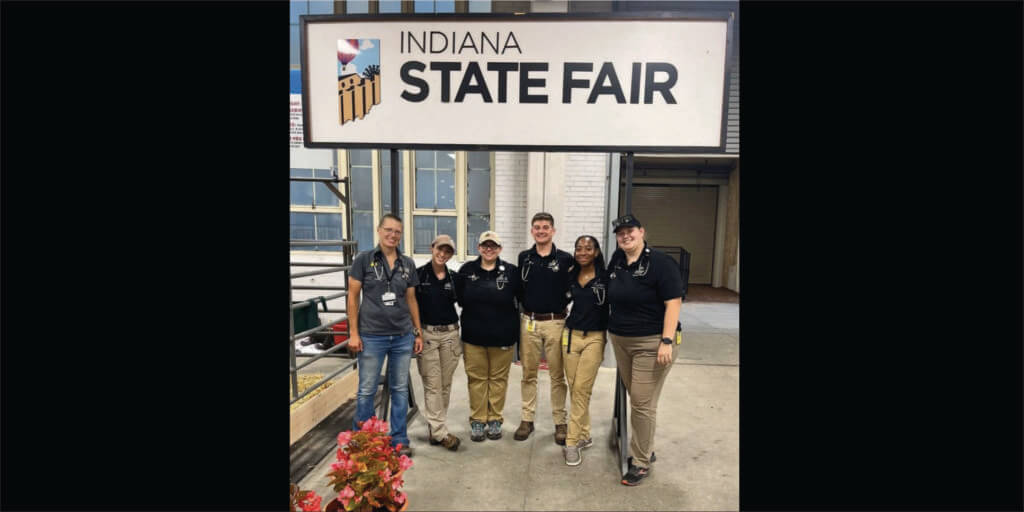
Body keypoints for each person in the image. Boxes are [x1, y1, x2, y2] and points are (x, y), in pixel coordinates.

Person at [606, 214, 685, 485]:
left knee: (641, 402)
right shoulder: (617, 260)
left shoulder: (661, 264)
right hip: (621, 340)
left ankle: (640, 461)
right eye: (620, 233)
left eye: (630, 231)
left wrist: (666, 340)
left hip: (651, 342)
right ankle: (645, 446)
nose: (625, 236)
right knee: (640, 398)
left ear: (642, 232)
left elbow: (673, 303)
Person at [347, 214, 424, 457]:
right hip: (372, 336)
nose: (393, 235)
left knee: (400, 388)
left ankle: (398, 439)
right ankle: (364, 441)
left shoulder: (407, 264)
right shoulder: (363, 260)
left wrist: (417, 332)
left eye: (397, 232)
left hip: (402, 336)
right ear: (379, 231)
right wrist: (353, 333)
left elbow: (411, 299)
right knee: (367, 389)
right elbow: (352, 297)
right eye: (388, 230)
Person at [455, 231, 522, 442]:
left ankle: (494, 419)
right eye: (485, 245)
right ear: (479, 248)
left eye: (493, 246)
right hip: (474, 336)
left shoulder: (511, 272)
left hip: (503, 336)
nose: (489, 249)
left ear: (500, 249)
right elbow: (459, 299)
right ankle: (477, 420)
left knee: (498, 380)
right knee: (477, 379)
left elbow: (520, 299)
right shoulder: (467, 271)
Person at [514, 212, 574, 445]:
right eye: (537, 227)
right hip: (529, 321)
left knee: (557, 375)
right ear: (532, 231)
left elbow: (572, 288)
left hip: (556, 322)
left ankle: (560, 422)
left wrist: (561, 307)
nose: (541, 231)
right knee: (528, 373)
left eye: (545, 227)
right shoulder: (524, 258)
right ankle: (527, 419)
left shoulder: (565, 259)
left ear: (553, 231)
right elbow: (520, 288)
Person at [561, 235, 610, 466]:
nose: (582, 252)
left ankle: (571, 442)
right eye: (578, 248)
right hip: (570, 336)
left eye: (588, 248)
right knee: (575, 388)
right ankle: (585, 434)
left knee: (582, 388)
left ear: (596, 252)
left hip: (594, 338)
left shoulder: (607, 277)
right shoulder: (571, 275)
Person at [413, 234, 462, 451]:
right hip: (428, 335)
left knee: (445, 385)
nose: (442, 254)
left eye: (448, 251)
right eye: (439, 249)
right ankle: (441, 433)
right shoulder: (419, 275)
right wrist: (416, 333)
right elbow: (410, 305)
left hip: (451, 335)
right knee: (432, 384)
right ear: (432, 248)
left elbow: (467, 302)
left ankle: (435, 428)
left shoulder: (454, 277)